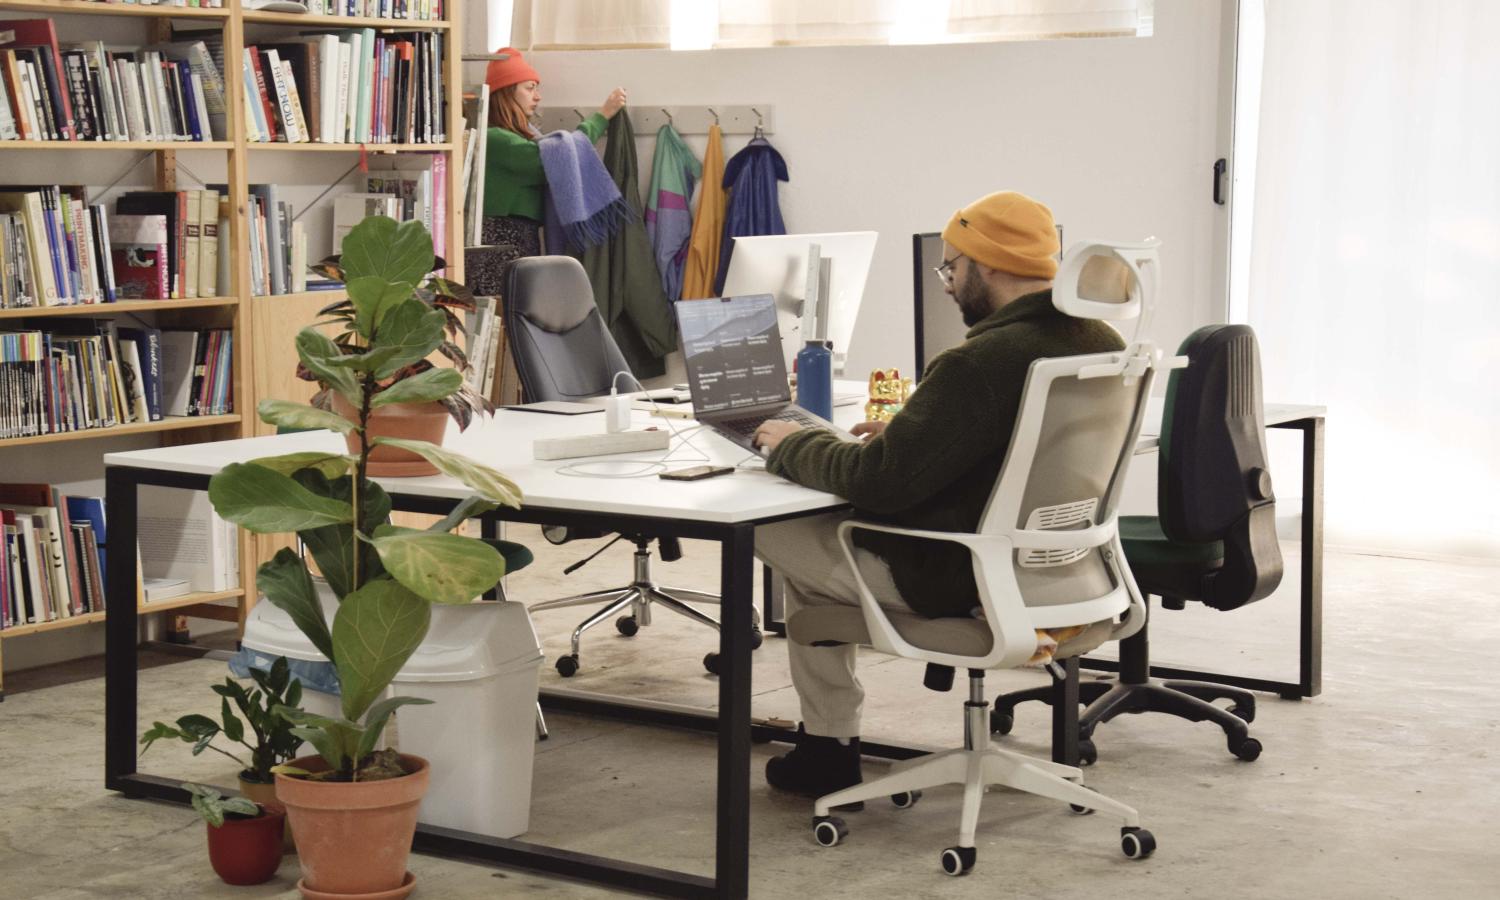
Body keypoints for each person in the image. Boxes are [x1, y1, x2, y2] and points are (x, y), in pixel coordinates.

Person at [751, 191, 1128, 803]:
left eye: (953, 266)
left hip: (956, 575)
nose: (948, 283)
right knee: (815, 563)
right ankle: (824, 742)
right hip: (1064, 573)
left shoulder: (978, 361)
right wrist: (913, 433)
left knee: (769, 529)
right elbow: (1009, 447)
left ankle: (828, 745)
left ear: (991, 264)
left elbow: (880, 484)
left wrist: (790, 444)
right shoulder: (1099, 340)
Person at [469, 47, 628, 288]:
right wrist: (601, 116)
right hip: (502, 244)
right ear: (506, 92)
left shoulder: (519, 138)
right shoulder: (497, 140)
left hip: (518, 241)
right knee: (511, 317)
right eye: (530, 88)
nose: (538, 96)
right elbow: (556, 160)